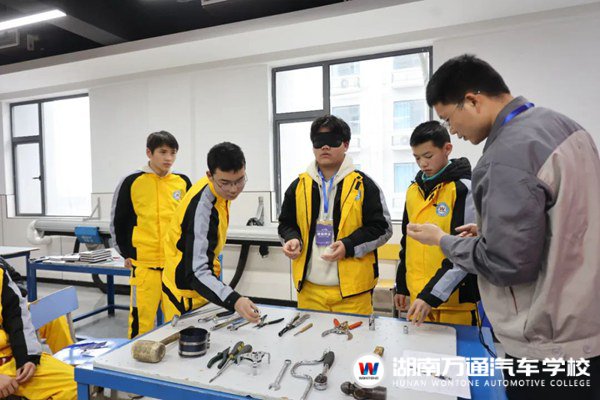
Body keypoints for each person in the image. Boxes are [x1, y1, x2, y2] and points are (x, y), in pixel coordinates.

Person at [407, 54, 599, 398]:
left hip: (546, 346)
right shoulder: (566, 129)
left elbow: (505, 263)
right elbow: (565, 224)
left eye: (449, 119)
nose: (453, 131)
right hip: (585, 328)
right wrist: (487, 231)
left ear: (472, 101)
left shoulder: (505, 156)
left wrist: (443, 241)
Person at [278, 115, 392, 315]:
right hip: (309, 291)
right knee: (309, 337)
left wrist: (348, 245)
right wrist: (292, 238)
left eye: (332, 141)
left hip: (353, 295)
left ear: (345, 144)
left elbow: (382, 228)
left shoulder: (364, 185)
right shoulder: (298, 186)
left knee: (355, 337)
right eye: (319, 141)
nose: (325, 147)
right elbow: (286, 224)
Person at [162, 142, 260, 323]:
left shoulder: (219, 191)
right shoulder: (202, 209)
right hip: (186, 294)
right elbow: (197, 272)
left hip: (202, 286)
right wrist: (234, 300)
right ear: (210, 175)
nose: (233, 189)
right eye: (225, 182)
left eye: (239, 180)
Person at [394, 121, 479, 326]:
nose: (423, 163)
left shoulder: (464, 189)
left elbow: (464, 251)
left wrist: (431, 295)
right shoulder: (413, 191)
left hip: (454, 304)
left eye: (428, 156)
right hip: (419, 301)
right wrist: (402, 285)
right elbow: (407, 242)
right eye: (417, 158)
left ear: (447, 149)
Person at [111, 131, 191, 338]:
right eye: (163, 152)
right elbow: (118, 220)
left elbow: (189, 222)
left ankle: (175, 357)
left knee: (178, 321)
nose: (169, 158)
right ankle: (137, 356)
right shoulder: (132, 181)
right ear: (149, 152)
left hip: (173, 266)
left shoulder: (182, 182)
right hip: (144, 266)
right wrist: (125, 253)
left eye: (173, 153)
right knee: (141, 322)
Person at [0, 264, 77, 400]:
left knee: (78, 383)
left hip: (11, 356)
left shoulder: (1, 272)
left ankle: (72, 362)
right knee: (75, 385)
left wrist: (26, 358)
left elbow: (16, 315)